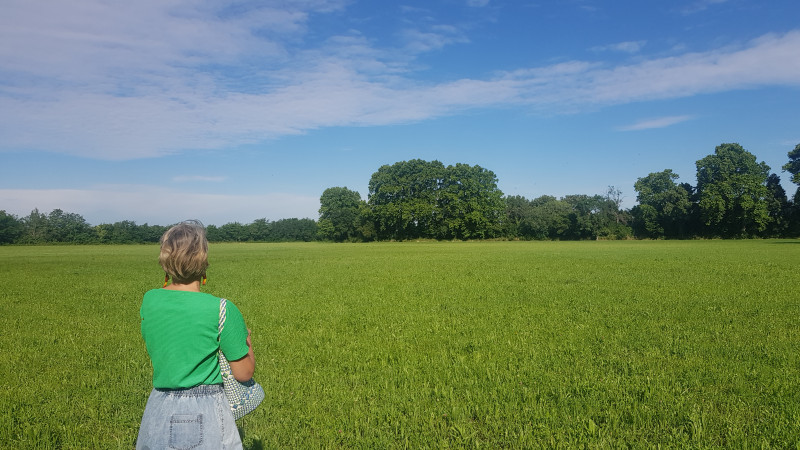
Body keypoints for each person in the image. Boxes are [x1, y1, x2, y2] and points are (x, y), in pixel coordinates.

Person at [136, 220, 255, 449]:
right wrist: (247, 341)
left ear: (165, 261)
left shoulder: (149, 301)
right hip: (205, 409)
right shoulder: (222, 308)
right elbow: (244, 373)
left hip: (158, 406)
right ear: (204, 263)